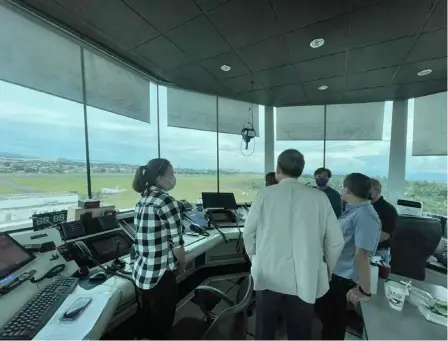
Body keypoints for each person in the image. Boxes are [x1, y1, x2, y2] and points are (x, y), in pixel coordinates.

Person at [244, 149, 344, 340]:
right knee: (300, 332)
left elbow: (248, 233)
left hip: (268, 273)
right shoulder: (319, 198)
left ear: (277, 169)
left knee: (265, 330)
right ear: (301, 171)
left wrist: (255, 259)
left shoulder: (264, 195)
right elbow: (336, 242)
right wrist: (326, 270)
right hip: (305, 276)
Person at [315, 173, 381, 340]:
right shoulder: (353, 211)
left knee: (334, 325)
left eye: (342, 187)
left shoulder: (366, 215)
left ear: (347, 189)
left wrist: (364, 291)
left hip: (343, 280)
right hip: (333, 274)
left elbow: (362, 254)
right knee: (326, 320)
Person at [131, 158, 185, 340]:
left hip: (142, 274)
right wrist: (182, 265)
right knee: (162, 328)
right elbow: (178, 245)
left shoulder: (142, 201)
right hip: (161, 277)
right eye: (172, 174)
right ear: (160, 178)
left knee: (148, 323)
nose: (174, 178)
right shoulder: (167, 201)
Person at [370, 179, 398, 264]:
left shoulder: (388, 210)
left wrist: (364, 243)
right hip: (363, 250)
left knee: (375, 275)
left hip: (379, 252)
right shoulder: (365, 206)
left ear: (376, 191)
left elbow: (385, 235)